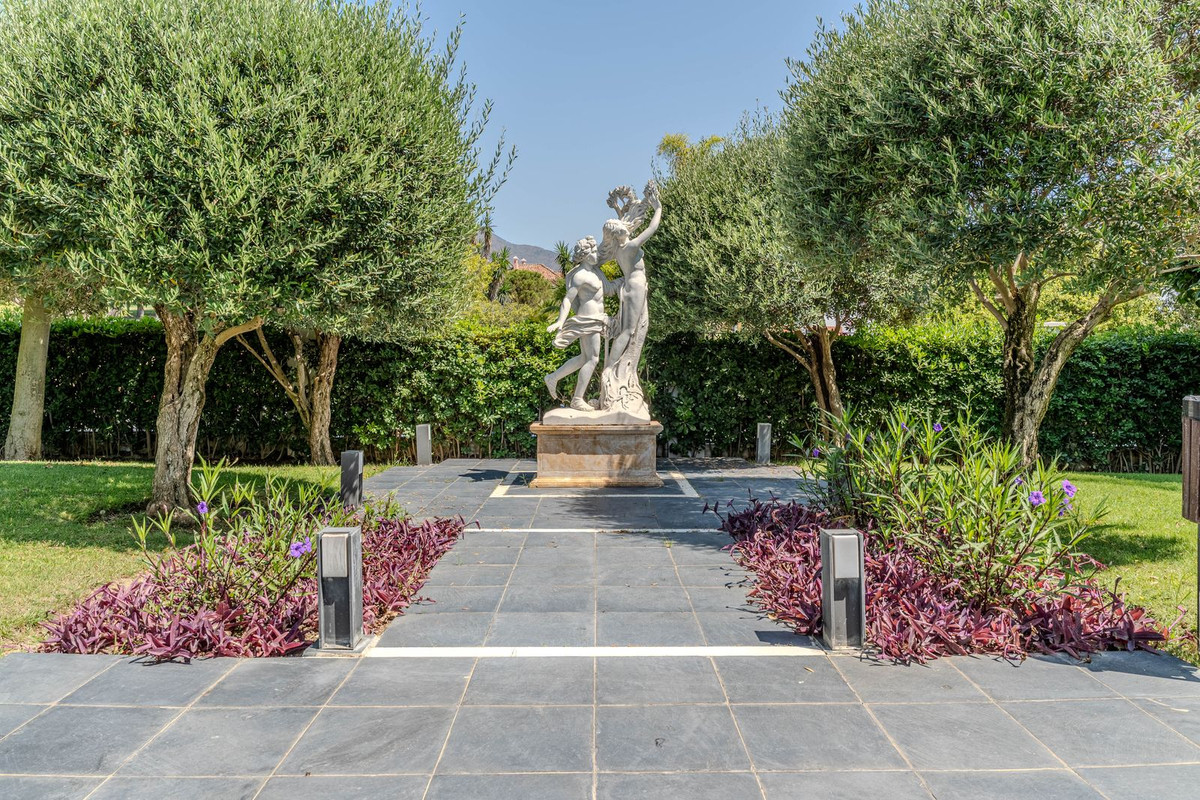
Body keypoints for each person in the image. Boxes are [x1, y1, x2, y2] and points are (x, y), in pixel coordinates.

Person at [544, 236, 622, 411]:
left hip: (598, 319)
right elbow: (568, 299)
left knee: (584, 358)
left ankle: (553, 377)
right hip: (588, 320)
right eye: (593, 251)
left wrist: (627, 280)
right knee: (592, 359)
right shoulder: (579, 276)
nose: (596, 254)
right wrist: (560, 321)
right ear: (584, 255)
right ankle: (577, 399)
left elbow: (609, 290)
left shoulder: (596, 272)